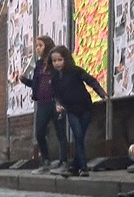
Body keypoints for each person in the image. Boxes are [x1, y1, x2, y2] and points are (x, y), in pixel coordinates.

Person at [46, 45, 108, 177]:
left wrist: (102, 93)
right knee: (77, 136)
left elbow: (91, 81)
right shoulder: (54, 78)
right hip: (71, 110)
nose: (57, 63)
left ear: (66, 59)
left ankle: (74, 167)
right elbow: (55, 94)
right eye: (54, 61)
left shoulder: (75, 71)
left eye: (59, 60)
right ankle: (84, 168)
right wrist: (58, 104)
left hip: (85, 107)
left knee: (80, 137)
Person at [19, 35, 68, 175]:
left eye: (40, 45)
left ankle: (63, 161)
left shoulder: (55, 63)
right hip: (42, 103)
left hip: (56, 101)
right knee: (39, 132)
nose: (37, 48)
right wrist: (24, 80)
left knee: (60, 132)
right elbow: (36, 84)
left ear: (47, 46)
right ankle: (45, 161)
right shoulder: (39, 65)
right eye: (37, 46)